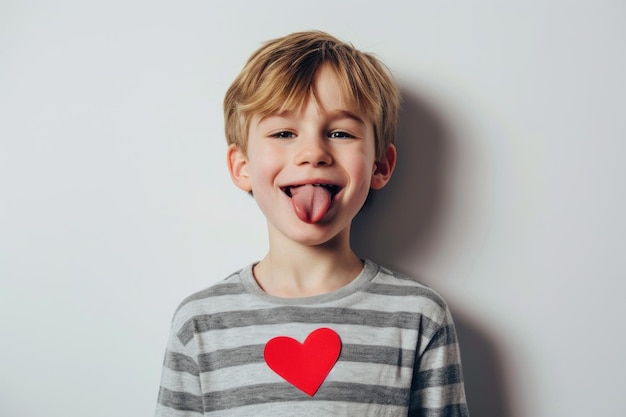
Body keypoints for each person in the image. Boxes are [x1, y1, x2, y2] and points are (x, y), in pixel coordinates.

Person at [155, 30, 469, 417]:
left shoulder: (419, 317)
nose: (312, 153)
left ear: (380, 166)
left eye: (339, 133)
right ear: (242, 167)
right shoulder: (200, 324)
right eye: (284, 133)